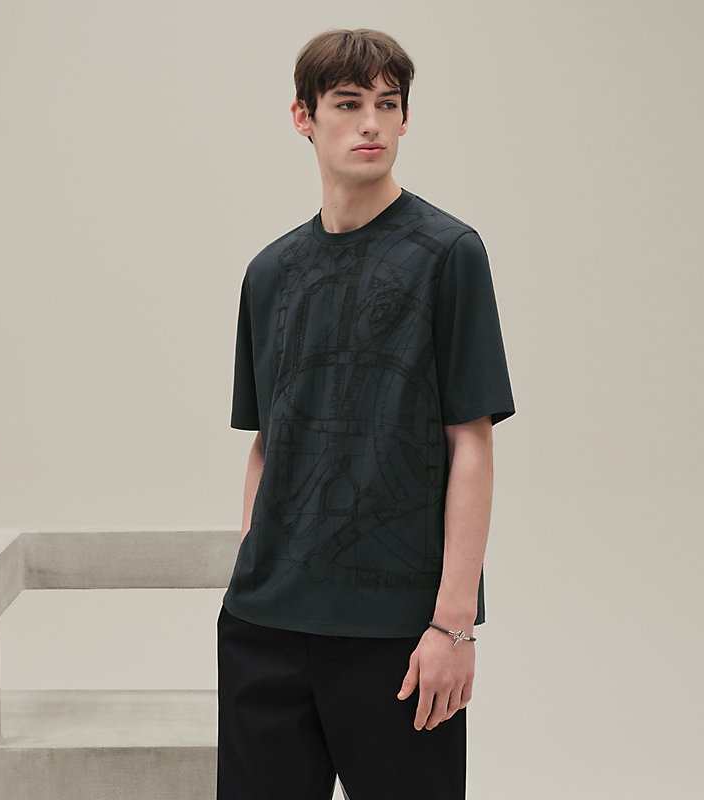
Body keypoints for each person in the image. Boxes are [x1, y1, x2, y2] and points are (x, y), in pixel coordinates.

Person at [217, 28, 516, 800]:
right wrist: (252, 567)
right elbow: (267, 442)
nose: (372, 124)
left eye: (388, 104)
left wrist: (454, 625)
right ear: (304, 117)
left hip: (398, 636)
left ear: (407, 117)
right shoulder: (269, 273)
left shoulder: (448, 254)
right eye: (348, 104)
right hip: (265, 629)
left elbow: (471, 443)